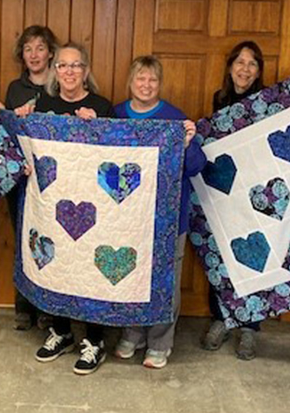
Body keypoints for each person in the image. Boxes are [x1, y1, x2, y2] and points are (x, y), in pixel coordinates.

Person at [16, 42, 114, 375]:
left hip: (91, 204)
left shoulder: (101, 105)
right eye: (62, 66)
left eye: (75, 66)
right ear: (54, 72)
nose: (68, 72)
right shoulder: (44, 103)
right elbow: (27, 143)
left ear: (85, 71)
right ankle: (61, 331)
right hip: (54, 201)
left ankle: (95, 340)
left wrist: (98, 126)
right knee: (56, 261)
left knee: (89, 265)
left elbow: (115, 158)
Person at [112, 56, 206, 368]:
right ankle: (133, 332)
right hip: (128, 218)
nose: (146, 85)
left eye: (152, 80)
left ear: (159, 84)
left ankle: (160, 342)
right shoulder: (115, 116)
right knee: (130, 275)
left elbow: (195, 167)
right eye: (140, 78)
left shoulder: (175, 119)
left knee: (165, 281)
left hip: (168, 218)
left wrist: (189, 142)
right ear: (130, 81)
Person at [202, 41, 265, 360]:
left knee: (254, 254)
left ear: (259, 71)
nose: (245, 69)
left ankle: (250, 327)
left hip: (257, 194)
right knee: (221, 255)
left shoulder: (270, 103)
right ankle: (221, 318)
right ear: (230, 67)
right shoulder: (220, 100)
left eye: (252, 63)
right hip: (225, 191)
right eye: (240, 62)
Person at [3, 25, 58, 331]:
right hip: (22, 179)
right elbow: (11, 133)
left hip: (53, 179)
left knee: (51, 239)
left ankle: (47, 307)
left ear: (50, 52)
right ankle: (24, 304)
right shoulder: (14, 89)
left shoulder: (59, 86)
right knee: (24, 239)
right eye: (28, 48)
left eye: (40, 47)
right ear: (21, 55)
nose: (34, 54)